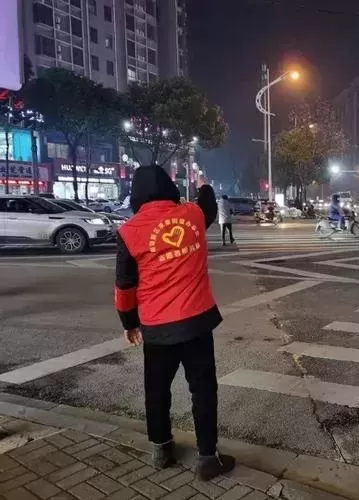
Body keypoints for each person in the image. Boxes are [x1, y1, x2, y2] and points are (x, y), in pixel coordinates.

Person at [114, 166, 235, 481]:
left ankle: (161, 449)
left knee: (156, 390)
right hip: (196, 323)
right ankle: (208, 458)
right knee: (203, 390)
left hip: (156, 328)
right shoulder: (192, 216)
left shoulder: (129, 231)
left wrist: (130, 323)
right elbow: (208, 204)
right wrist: (204, 184)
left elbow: (124, 287)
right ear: (170, 187)